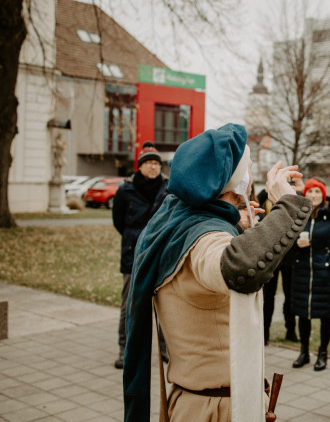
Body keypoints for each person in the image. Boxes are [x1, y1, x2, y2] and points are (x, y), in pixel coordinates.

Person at [122, 124, 313, 422]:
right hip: (216, 411)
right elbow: (238, 267)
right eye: (247, 170)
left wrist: (237, 227)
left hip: (201, 402)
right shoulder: (204, 238)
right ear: (234, 181)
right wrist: (287, 206)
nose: (251, 180)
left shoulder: (179, 223)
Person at [111, 141, 168, 369]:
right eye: (149, 163)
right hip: (133, 255)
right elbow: (118, 221)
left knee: (165, 305)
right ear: (140, 166)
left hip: (161, 255)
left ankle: (166, 349)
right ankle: (125, 350)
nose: (153, 167)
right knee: (130, 306)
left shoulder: (167, 188)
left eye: (156, 163)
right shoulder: (126, 190)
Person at [290, 178, 330, 371]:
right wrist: (296, 244)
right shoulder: (299, 214)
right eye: (310, 191)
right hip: (302, 272)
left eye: (317, 192)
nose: (313, 195)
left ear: (323, 195)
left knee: (325, 315)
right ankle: (304, 352)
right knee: (303, 315)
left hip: (323, 273)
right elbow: (286, 239)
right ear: (305, 193)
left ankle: (323, 353)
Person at [258, 179, 304, 345]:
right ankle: (264, 334)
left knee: (290, 296)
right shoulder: (264, 197)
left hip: (289, 256)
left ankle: (290, 331)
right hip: (269, 256)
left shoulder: (293, 197)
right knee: (267, 297)